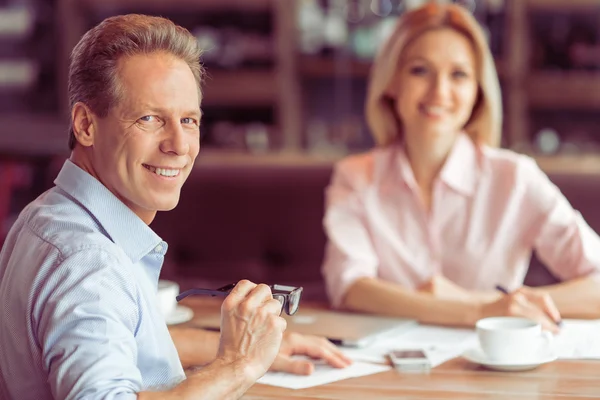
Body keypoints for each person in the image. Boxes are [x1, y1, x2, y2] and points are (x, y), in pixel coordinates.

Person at [0, 14, 350, 400]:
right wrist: (237, 365)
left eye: (188, 120)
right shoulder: (88, 263)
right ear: (86, 125)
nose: (180, 145)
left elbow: (120, 335)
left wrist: (253, 348)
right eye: (150, 118)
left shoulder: (46, 216)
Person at [321, 3, 600, 333]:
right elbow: (351, 288)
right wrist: (479, 307)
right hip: (390, 372)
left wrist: (514, 304)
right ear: (392, 81)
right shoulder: (355, 176)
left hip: (495, 369)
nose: (440, 91)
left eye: (459, 75)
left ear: (477, 93)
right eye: (420, 70)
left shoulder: (515, 178)